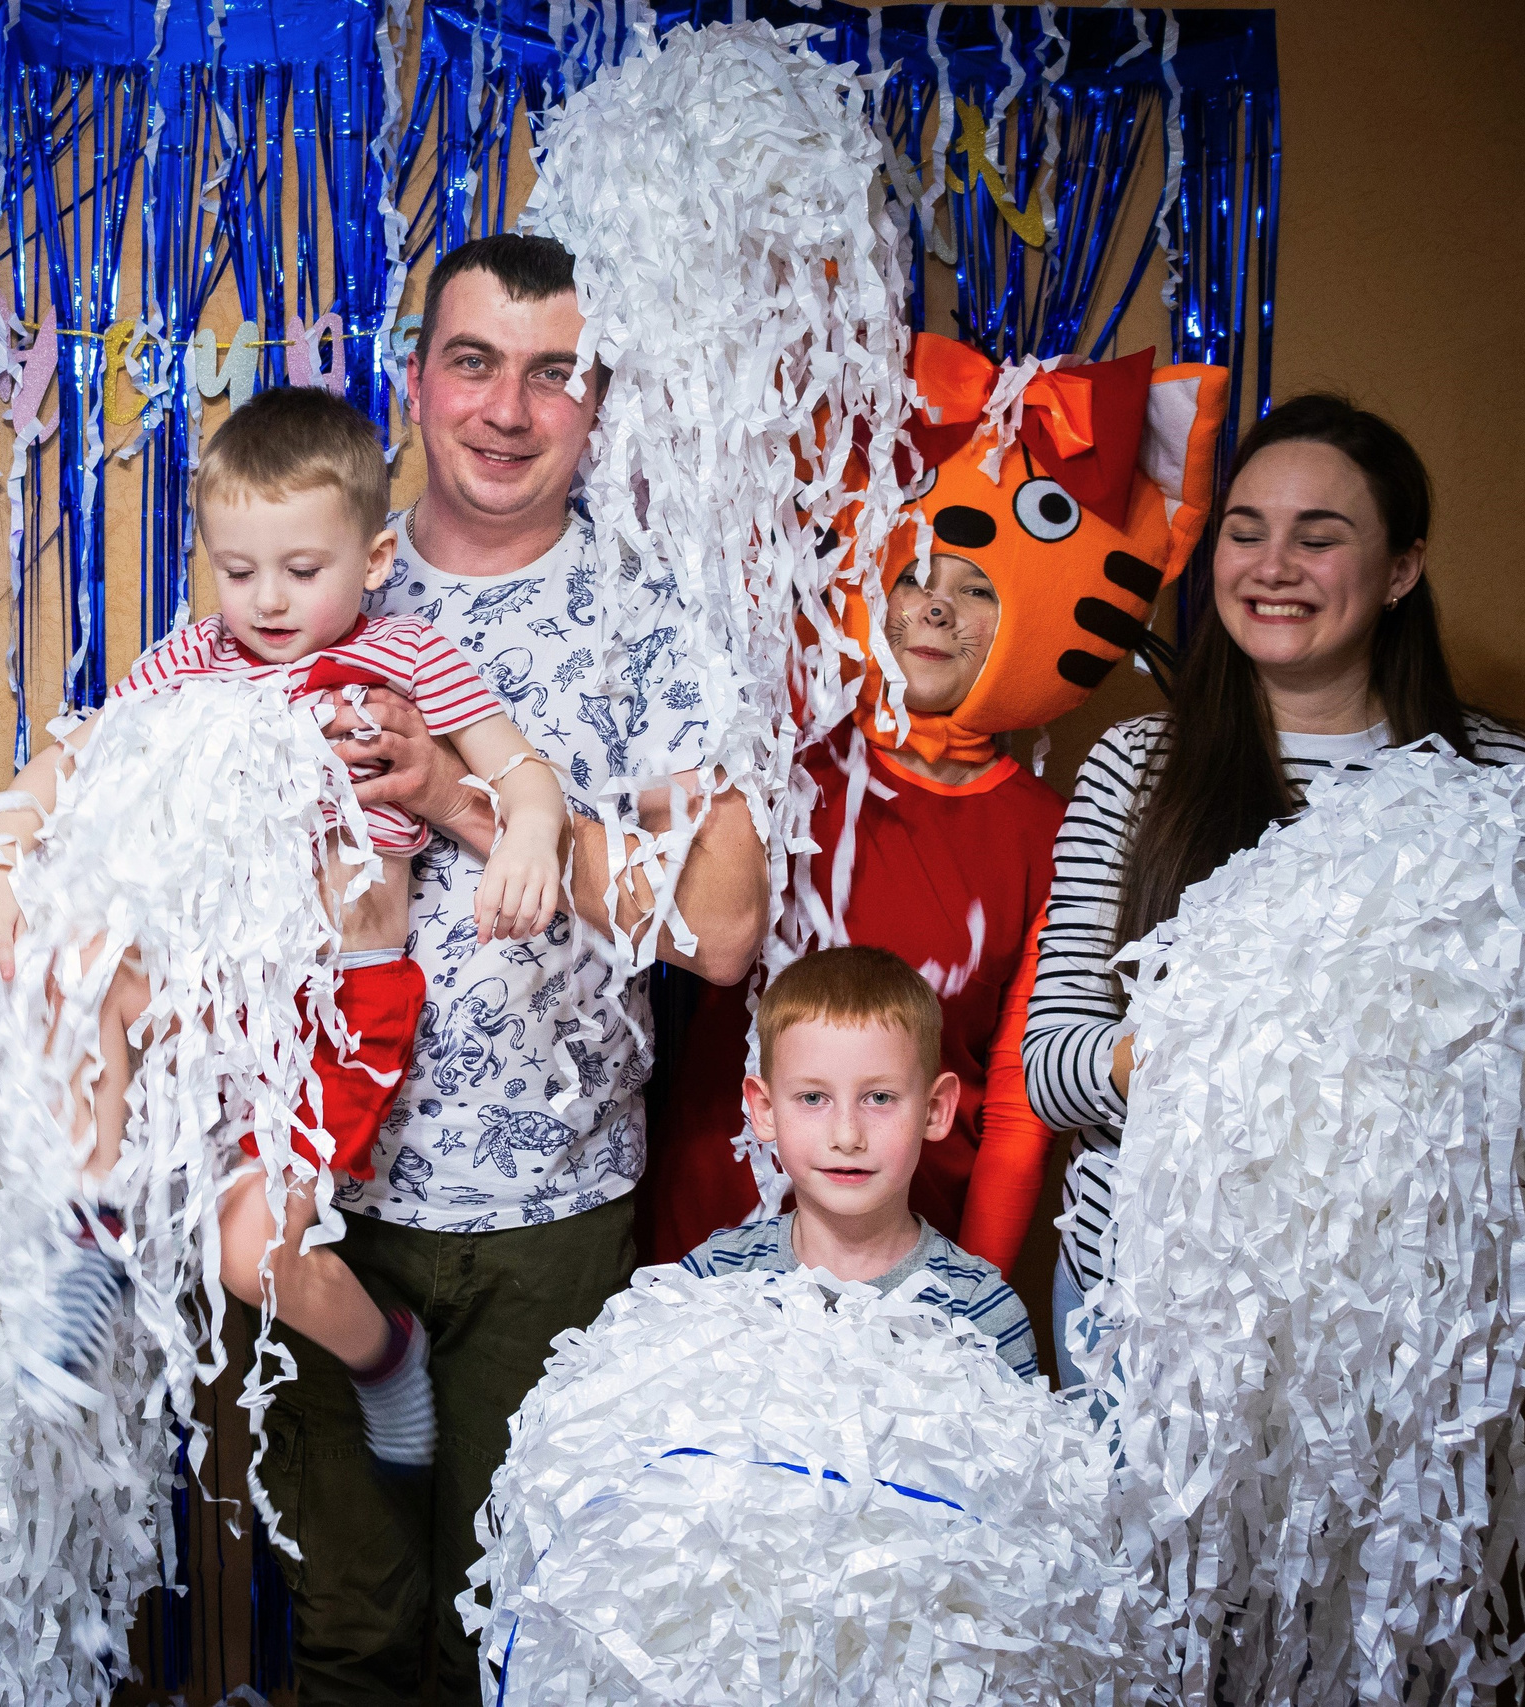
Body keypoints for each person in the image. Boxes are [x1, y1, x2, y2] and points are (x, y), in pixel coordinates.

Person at [232, 234, 769, 1704]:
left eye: (554, 374)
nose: (509, 408)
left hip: (548, 1213)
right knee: (347, 1622)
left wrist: (465, 801)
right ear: (417, 381)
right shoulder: (307, 577)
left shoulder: (647, 622)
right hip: (316, 1201)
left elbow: (722, 925)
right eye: (474, 363)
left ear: (597, 405)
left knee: (509, 1617)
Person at [0, 388, 571, 1465]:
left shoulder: (405, 661)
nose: (267, 600)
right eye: (238, 572)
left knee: (251, 1257)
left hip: (334, 1012)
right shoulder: (192, 659)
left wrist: (523, 836)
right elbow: (72, 759)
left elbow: (519, 770)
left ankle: (384, 1353)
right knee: (87, 964)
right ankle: (93, 1221)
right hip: (211, 993)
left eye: (301, 570)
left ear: (372, 561)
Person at [643, 334, 1231, 1276]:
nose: (935, 610)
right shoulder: (783, 759)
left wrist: (978, 1285)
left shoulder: (1051, 828)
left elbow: (1015, 1100)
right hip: (719, 1214)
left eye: (978, 589)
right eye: (915, 574)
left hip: (917, 1241)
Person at [1023, 394, 1525, 1387]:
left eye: (1317, 540)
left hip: (1403, 1322)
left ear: (1400, 568)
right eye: (1246, 533)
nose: (1271, 567)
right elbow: (1052, 1067)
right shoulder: (1135, 766)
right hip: (1143, 1302)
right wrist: (1233, 1049)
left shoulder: (1511, 787)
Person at [680, 946, 1038, 1378]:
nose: (847, 1136)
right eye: (813, 1098)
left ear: (935, 1109)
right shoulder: (714, 1279)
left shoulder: (980, 1314)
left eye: (879, 1098)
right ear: (765, 1110)